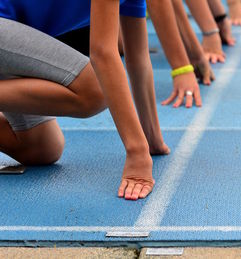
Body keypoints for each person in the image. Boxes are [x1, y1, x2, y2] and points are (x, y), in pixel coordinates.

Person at [0, 0, 169, 201]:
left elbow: (138, 58)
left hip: (14, 31)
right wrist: (137, 153)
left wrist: (152, 138)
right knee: (95, 90)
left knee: (42, 148)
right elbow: (103, 53)